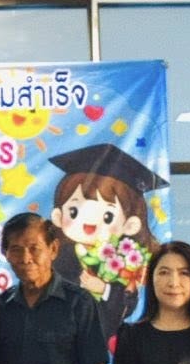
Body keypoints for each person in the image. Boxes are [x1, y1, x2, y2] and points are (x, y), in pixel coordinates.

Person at [0, 212, 107, 364]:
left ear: (53, 249)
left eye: (34, 248)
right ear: (6, 254)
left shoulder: (80, 303)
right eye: (16, 250)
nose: (26, 258)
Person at [46, 143, 166, 337]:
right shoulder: (57, 259)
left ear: (130, 224)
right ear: (58, 216)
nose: (90, 223)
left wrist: (105, 289)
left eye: (108, 217)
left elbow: (130, 304)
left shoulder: (124, 260)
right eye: (74, 211)